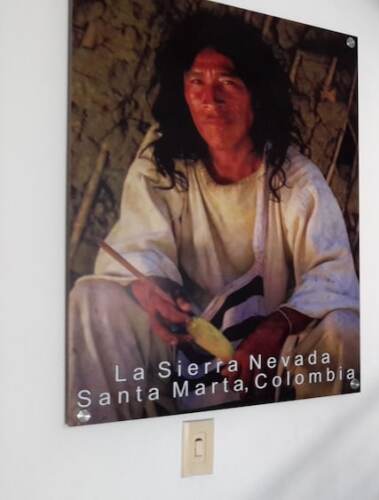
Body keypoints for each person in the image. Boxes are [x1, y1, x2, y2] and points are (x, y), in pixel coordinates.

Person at [66, 12, 359, 424]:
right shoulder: (162, 163)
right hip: (174, 350)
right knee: (93, 299)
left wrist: (276, 326)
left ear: (256, 95)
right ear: (182, 92)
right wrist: (154, 291)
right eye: (196, 82)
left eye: (227, 83)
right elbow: (139, 245)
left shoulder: (294, 180)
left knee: (344, 329)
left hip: (266, 364)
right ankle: (102, 442)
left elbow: (333, 277)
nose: (210, 99)